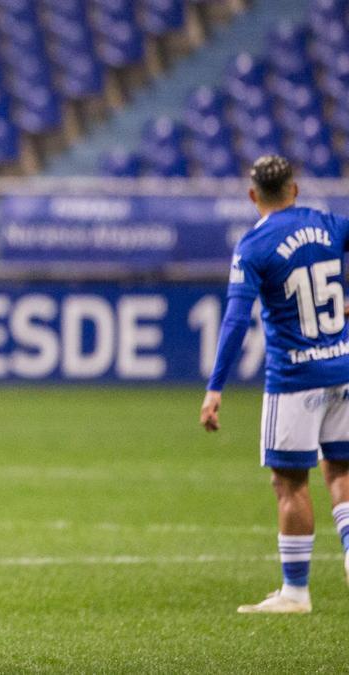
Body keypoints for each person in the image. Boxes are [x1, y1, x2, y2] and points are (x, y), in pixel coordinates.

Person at [201, 154, 349, 614]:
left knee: (289, 483)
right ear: (295, 188)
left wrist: (215, 387)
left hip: (294, 378)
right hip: (343, 369)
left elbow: (234, 320)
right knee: (341, 471)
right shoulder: (330, 224)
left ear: (252, 195)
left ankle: (295, 592)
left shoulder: (253, 246)